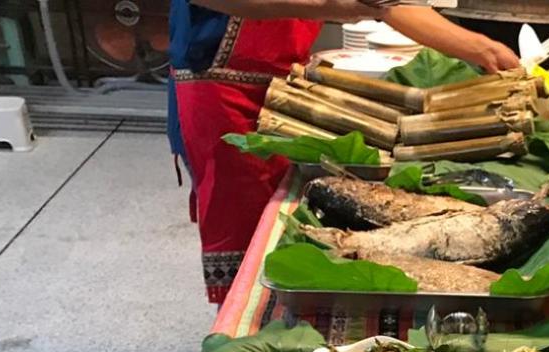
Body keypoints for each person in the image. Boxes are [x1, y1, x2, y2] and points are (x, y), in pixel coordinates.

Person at [169, 1, 520, 303]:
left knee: (287, 227)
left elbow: (386, 4)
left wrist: (483, 49)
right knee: (246, 242)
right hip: (224, 93)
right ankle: (238, 342)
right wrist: (332, 5)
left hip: (289, 91)